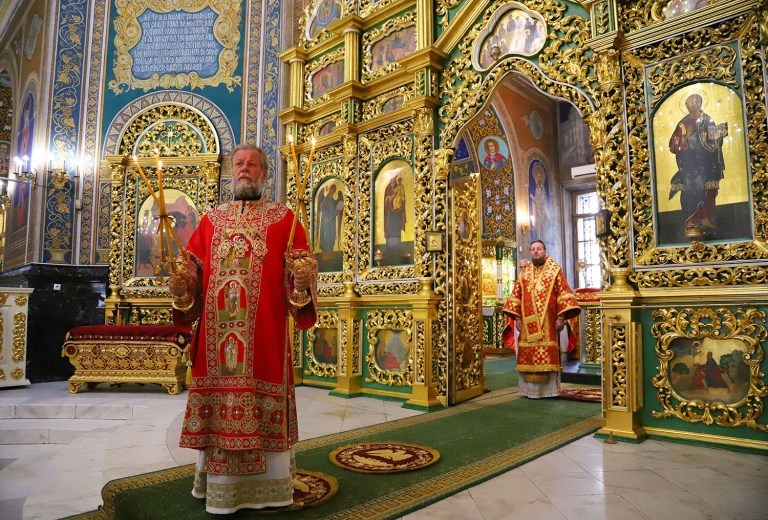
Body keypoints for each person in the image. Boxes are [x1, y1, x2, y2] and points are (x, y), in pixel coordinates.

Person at [168, 143, 317, 514]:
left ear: (265, 173)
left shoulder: (286, 219)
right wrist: (181, 284)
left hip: (263, 337)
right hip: (216, 340)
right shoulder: (211, 220)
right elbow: (192, 271)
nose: (245, 169)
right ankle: (217, 488)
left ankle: (270, 488)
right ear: (230, 171)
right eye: (239, 164)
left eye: (252, 164)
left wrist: (301, 280)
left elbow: (301, 277)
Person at [501, 240, 580, 398]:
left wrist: (561, 316)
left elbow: (564, 294)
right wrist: (517, 318)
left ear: (545, 251)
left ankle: (548, 391)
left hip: (548, 324)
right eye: (532, 250)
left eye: (538, 249)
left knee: (546, 353)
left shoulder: (554, 270)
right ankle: (529, 390)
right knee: (528, 354)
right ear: (530, 253)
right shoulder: (524, 273)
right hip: (526, 323)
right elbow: (516, 296)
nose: (535, 252)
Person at [668, 93, 727, 234]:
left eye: (696, 101)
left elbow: (712, 140)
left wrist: (719, 134)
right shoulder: (682, 124)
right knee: (691, 191)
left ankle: (706, 218)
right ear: (686, 105)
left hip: (707, 162)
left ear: (700, 103)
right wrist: (684, 140)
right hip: (690, 164)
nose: (694, 104)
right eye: (691, 102)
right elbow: (673, 145)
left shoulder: (707, 119)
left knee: (709, 189)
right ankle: (691, 223)